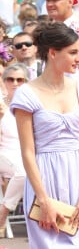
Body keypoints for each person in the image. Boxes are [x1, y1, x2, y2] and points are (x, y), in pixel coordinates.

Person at [10, 21, 79, 248]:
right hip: (45, 182)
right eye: (72, 52)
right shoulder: (26, 94)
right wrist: (43, 200)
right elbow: (27, 152)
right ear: (53, 53)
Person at [0, 63, 29, 237]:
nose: (15, 83)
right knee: (23, 173)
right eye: (11, 79)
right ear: (4, 82)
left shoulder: (34, 104)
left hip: (27, 153)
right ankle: (4, 211)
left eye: (20, 79)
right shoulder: (1, 106)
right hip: (4, 153)